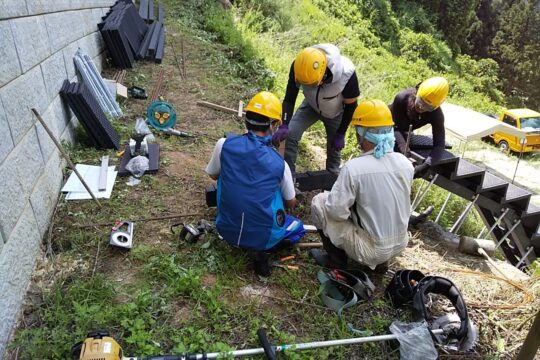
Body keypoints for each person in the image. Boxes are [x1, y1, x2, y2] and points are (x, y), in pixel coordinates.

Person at [206, 91, 305, 276]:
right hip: (264, 237)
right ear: (274, 125)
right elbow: (290, 202)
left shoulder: (224, 144)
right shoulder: (279, 163)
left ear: (246, 118)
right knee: (297, 227)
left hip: (226, 229)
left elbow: (213, 176)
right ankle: (264, 250)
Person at [310, 99, 414, 272]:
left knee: (320, 202)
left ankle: (336, 260)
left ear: (362, 133)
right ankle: (382, 264)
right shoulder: (405, 163)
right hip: (399, 244)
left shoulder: (355, 168)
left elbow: (335, 211)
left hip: (371, 250)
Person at [271, 44, 360, 174]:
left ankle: (331, 181)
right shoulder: (299, 66)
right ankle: (289, 179)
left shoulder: (347, 74)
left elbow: (351, 106)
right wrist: (284, 124)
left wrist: (341, 132)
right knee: (291, 133)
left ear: (323, 75)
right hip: (310, 105)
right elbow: (289, 99)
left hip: (335, 112)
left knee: (334, 149)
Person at [389, 76, 449, 177]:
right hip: (389, 123)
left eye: (428, 107)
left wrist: (427, 165)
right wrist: (406, 152)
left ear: (435, 107)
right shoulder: (402, 98)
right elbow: (394, 127)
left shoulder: (436, 114)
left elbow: (439, 144)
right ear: (417, 91)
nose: (421, 107)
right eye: (421, 101)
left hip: (405, 130)